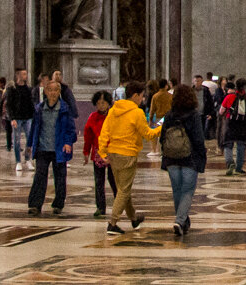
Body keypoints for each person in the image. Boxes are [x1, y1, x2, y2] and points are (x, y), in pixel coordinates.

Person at [100, 81, 159, 235]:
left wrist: (103, 152)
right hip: (128, 155)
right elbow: (148, 134)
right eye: (142, 96)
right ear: (135, 96)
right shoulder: (137, 113)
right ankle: (112, 223)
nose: (143, 99)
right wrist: (161, 127)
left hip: (113, 154)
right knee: (124, 191)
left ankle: (133, 219)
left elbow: (105, 132)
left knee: (122, 190)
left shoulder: (113, 110)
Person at [159, 82, 207, 238]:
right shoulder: (194, 115)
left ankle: (183, 221)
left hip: (171, 158)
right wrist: (202, 157)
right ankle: (180, 221)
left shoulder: (169, 115)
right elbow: (199, 139)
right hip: (190, 158)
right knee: (187, 190)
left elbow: (162, 138)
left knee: (177, 191)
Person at [28, 72, 76, 216]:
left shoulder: (64, 109)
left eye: (56, 90)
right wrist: (30, 145)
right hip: (43, 148)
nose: (53, 93)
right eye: (50, 90)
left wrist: (68, 142)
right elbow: (35, 128)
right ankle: (35, 204)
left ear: (59, 92)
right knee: (39, 176)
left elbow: (70, 129)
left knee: (60, 177)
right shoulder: (39, 109)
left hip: (59, 148)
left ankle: (58, 203)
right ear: (46, 92)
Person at [82, 90, 113, 218]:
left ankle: (120, 204)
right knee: (99, 181)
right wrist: (85, 152)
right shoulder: (92, 117)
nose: (101, 105)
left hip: (112, 153)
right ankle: (100, 207)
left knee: (114, 180)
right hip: (98, 153)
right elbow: (88, 136)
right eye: (99, 103)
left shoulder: (113, 116)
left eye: (104, 103)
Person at [219, 77, 246, 175]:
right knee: (241, 146)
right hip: (243, 125)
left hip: (230, 123)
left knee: (228, 144)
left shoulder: (229, 97)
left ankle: (230, 163)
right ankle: (239, 168)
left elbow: (221, 111)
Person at [7, 68, 37, 171]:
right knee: (16, 140)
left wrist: (34, 116)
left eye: (26, 74)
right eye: (23, 74)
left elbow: (31, 103)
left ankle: (28, 159)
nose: (26, 76)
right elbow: (9, 105)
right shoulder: (12, 89)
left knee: (30, 139)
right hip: (17, 118)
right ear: (18, 75)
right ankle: (18, 161)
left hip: (28, 117)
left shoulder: (28, 88)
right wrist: (12, 118)